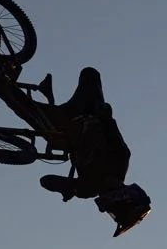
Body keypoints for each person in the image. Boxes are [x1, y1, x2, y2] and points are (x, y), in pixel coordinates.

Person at [32, 68, 152, 236]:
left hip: (62, 128)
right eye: (115, 212)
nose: (108, 211)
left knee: (18, 101)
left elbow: (46, 181)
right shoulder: (120, 159)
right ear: (122, 199)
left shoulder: (87, 188)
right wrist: (105, 116)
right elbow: (112, 131)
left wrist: (66, 188)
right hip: (84, 113)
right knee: (90, 74)